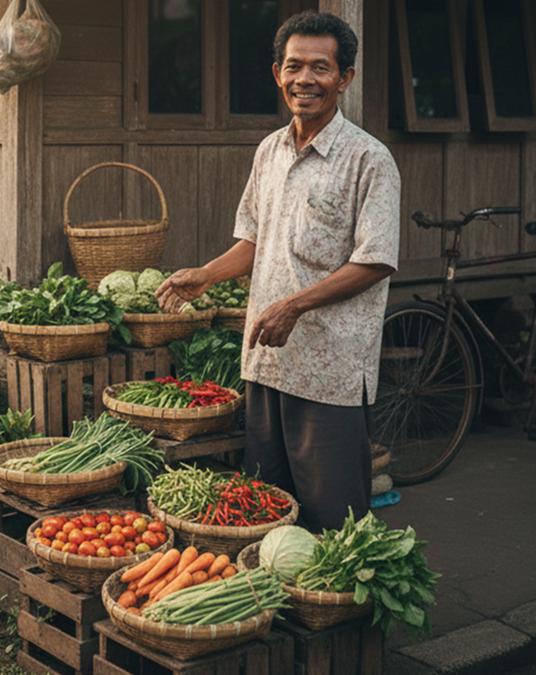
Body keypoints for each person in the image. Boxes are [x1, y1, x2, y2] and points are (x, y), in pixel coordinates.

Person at [155, 11, 400, 532]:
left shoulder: (369, 160)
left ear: (345, 78)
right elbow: (254, 240)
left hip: (329, 370)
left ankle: (341, 612)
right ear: (277, 74)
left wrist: (295, 304)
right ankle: (284, 611)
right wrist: (205, 275)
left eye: (320, 68)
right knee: (268, 505)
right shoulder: (269, 151)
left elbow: (375, 260)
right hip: (267, 361)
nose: (304, 79)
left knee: (334, 517)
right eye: (294, 67)